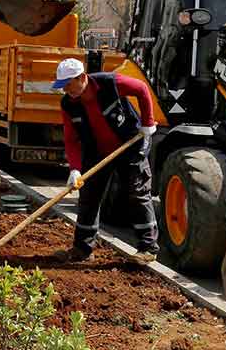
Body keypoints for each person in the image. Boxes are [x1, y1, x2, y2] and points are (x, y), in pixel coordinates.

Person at [55, 57, 158, 263]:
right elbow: (71, 139)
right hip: (97, 151)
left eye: (68, 85)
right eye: (62, 86)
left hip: (130, 144)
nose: (66, 90)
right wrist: (74, 169)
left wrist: (147, 122)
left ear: (82, 78)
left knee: (136, 193)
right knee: (89, 195)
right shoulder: (68, 104)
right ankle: (82, 249)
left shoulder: (109, 83)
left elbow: (141, 89)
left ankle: (147, 249)